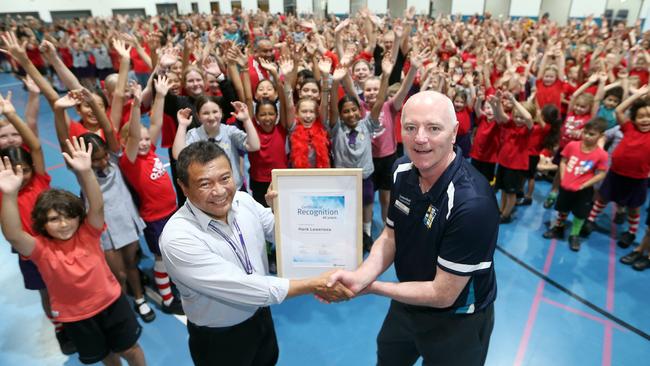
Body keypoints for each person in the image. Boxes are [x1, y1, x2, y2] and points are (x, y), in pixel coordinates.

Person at [327, 91, 498, 366]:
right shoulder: (401, 170)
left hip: (457, 320)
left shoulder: (472, 204)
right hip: (408, 302)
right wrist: (361, 276)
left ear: (454, 133)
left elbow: (443, 294)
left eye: (433, 128)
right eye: (410, 127)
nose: (420, 138)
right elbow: (390, 235)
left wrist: (372, 287)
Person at [159, 141, 353, 366]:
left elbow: (277, 230)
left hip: (261, 316)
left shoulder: (242, 201)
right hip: (220, 339)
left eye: (225, 178)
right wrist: (312, 284)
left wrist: (288, 207)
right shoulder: (178, 239)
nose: (220, 191)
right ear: (183, 187)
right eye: (205, 184)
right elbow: (242, 287)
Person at [0, 137, 146, 366]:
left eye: (68, 216)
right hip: (76, 318)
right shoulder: (40, 248)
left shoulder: (88, 233)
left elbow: (96, 206)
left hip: (112, 303)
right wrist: (8, 194)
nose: (64, 224)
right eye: (54, 219)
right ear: (42, 223)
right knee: (108, 355)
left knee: (131, 349)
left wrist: (86, 172)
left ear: (79, 216)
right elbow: (13, 234)